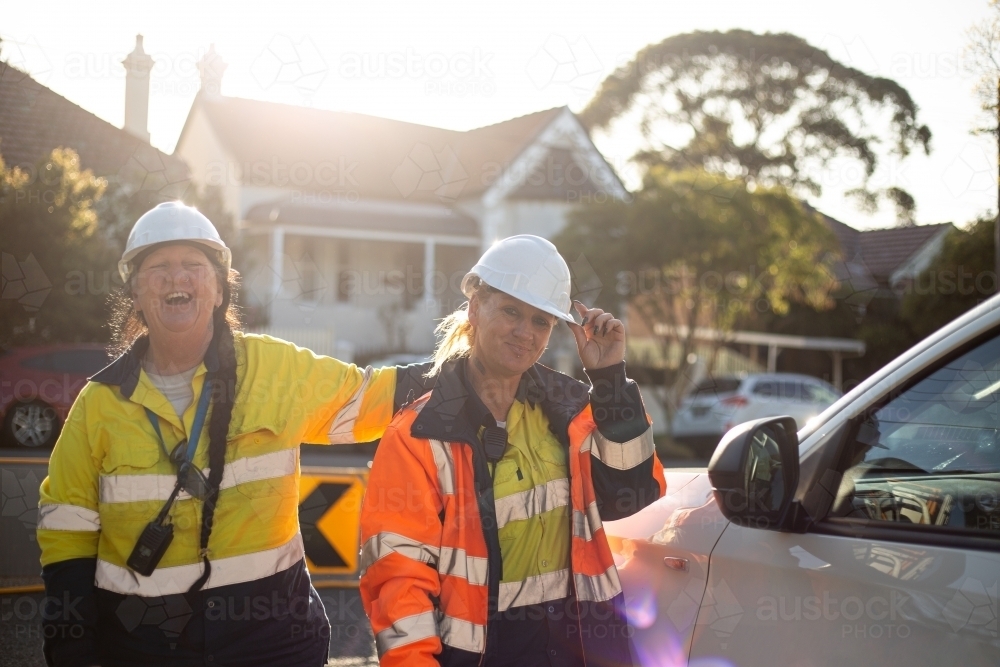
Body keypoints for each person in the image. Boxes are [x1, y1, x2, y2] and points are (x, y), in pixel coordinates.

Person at [36, 202, 429, 667]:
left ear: (220, 289)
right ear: (136, 295)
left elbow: (378, 396)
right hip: (143, 647)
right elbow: (67, 533)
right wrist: (72, 645)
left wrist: (480, 365)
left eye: (193, 266)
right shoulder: (97, 404)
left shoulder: (275, 370)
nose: (176, 278)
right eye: (158, 267)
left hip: (272, 643)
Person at [359, 235, 666, 667]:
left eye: (541, 321)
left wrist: (611, 380)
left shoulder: (573, 408)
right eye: (510, 311)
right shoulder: (419, 433)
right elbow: (397, 576)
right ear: (474, 309)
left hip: (580, 648)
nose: (525, 332)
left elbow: (634, 492)